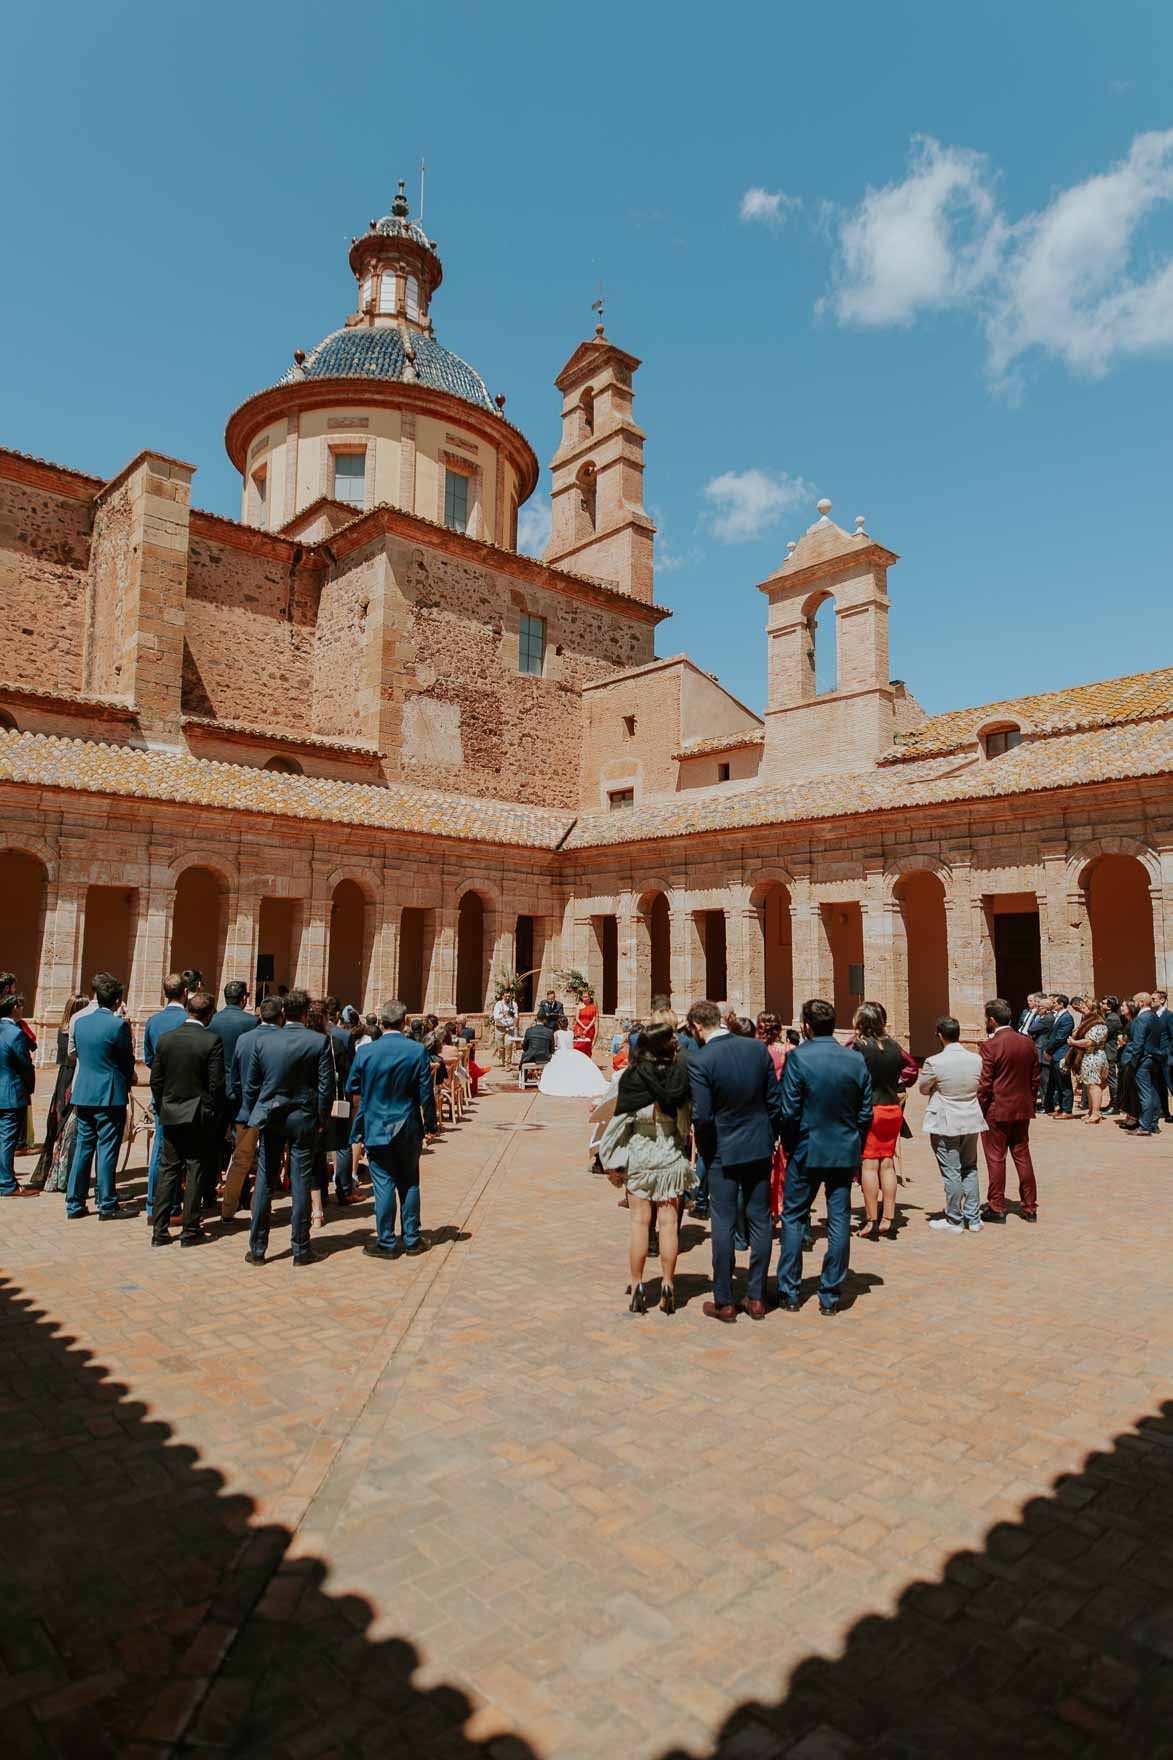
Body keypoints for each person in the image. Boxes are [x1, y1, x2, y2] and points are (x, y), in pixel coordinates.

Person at [689, 998, 784, 1322]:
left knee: (723, 1222)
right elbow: (774, 1100)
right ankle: (756, 1296)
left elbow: (701, 1116)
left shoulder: (702, 1060)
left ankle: (725, 1301)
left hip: (722, 1151)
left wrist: (705, 1149)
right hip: (758, 1146)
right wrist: (769, 1137)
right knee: (760, 1221)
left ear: (697, 1027)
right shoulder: (757, 1049)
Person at [776, 999, 871, 1315]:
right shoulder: (855, 1060)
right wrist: (854, 1143)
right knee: (839, 1217)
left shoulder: (798, 1058)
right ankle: (830, 1293)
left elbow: (788, 1110)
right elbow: (865, 1112)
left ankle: (790, 1291)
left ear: (805, 1025)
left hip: (806, 1147)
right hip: (843, 1149)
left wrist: (790, 1145)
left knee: (793, 1216)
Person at [598, 1021, 695, 1314]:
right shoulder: (678, 1075)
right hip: (669, 1156)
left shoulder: (633, 1076)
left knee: (640, 1223)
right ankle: (668, 1284)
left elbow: (619, 1122)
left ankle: (638, 1285)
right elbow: (684, 1119)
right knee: (668, 1224)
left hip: (640, 1153)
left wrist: (610, 1159)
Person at [241, 986, 334, 1266]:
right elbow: (326, 1087)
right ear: (306, 1014)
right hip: (303, 1117)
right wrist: (321, 1119)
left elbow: (251, 1085)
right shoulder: (318, 1042)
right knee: (301, 1181)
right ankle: (300, 1248)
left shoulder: (263, 1042)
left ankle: (257, 1249)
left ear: (283, 1013)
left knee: (266, 1181)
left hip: (271, 1115)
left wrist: (255, 1111)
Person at [348, 999, 436, 1259]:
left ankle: (386, 1242)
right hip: (407, 1124)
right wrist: (430, 1125)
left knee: (383, 1183)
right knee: (409, 1181)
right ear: (405, 1020)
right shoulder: (416, 1050)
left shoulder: (365, 1053)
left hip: (376, 1124)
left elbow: (353, 1087)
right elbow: (426, 1093)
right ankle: (412, 1238)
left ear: (381, 1020)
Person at [149, 989, 226, 1248]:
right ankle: (189, 1229)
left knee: (168, 1169)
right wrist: (211, 1112)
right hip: (198, 1114)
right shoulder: (211, 1040)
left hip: (171, 1111)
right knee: (195, 1169)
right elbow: (216, 1085)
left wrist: (162, 1107)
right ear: (208, 1015)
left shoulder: (167, 1039)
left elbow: (156, 1081)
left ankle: (159, 1230)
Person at [66, 973, 138, 1222]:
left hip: (84, 1091)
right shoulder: (118, 1026)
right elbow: (126, 1061)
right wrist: (129, 1077)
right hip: (109, 1094)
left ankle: (74, 1203)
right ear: (117, 1001)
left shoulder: (81, 1022)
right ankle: (107, 1203)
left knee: (84, 1147)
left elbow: (74, 1053)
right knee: (107, 1149)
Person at [848, 1002, 916, 1241]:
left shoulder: (857, 1046)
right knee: (887, 1163)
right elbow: (912, 1068)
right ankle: (888, 1217)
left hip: (869, 1110)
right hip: (892, 1109)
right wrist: (900, 1084)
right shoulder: (894, 1046)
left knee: (869, 1165)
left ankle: (871, 1219)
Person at [919, 1016, 985, 1234]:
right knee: (970, 1167)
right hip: (971, 1117)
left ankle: (955, 1219)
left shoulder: (934, 1061)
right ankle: (973, 1218)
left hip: (946, 1120)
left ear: (939, 1035)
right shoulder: (976, 1059)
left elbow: (923, 1088)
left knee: (951, 1171)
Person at [978, 998, 1040, 1224]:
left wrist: (980, 1107)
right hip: (1022, 1107)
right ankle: (1030, 1206)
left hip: (998, 1108)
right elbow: (1035, 1079)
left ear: (992, 1020)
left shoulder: (990, 1046)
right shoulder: (1027, 1043)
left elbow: (985, 1083)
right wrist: (1030, 1101)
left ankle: (996, 1206)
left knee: (996, 1157)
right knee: (1022, 1155)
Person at [221, 996, 283, 1218]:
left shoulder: (244, 1039)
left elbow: (235, 1078)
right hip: (275, 1111)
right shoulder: (284, 1039)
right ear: (281, 1014)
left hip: (246, 1110)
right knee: (269, 1162)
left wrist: (241, 1102)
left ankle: (227, 1210)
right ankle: (259, 1208)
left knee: (240, 1161)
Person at [143, 973, 190, 1222]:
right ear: (185, 993)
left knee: (160, 1149)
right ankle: (175, 1206)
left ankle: (153, 1204)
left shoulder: (152, 1022)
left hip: (162, 1093)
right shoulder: (189, 1020)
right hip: (188, 1094)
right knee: (184, 1154)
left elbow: (149, 1059)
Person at [30, 992, 87, 1191]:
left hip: (63, 1079)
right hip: (71, 1079)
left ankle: (59, 1175)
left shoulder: (63, 1030)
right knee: (68, 1129)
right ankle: (62, 1176)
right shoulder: (74, 1031)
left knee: (61, 1128)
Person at [0, 990, 36, 1198]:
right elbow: (25, 1066)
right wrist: (29, 1088)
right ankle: (6, 1183)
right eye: (20, 1006)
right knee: (7, 1140)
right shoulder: (16, 1034)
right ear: (14, 1008)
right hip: (10, 1093)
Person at [324, 995, 357, 1204]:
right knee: (343, 1142)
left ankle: (320, 1193)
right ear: (337, 1014)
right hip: (340, 1097)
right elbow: (352, 1070)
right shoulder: (344, 1036)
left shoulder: (310, 1034)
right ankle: (344, 1189)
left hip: (317, 1097)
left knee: (318, 1145)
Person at [1120, 992, 1162, 1137]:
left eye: (1135, 1001)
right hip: (1153, 1058)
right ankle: (1153, 1124)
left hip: (1142, 1060)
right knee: (1153, 1091)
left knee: (1145, 1093)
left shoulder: (1141, 1019)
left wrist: (1133, 1062)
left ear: (1141, 1003)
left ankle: (1145, 1126)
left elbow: (1138, 1043)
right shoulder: (1155, 1016)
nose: (1134, 1003)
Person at [540, 1015, 609, 1098]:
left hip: (561, 1052)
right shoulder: (571, 1032)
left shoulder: (556, 1033)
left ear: (558, 1025)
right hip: (571, 1052)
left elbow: (554, 1045)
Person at [1068, 1001, 1109, 1125]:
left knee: (1094, 1085)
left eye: (1085, 1007)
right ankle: (1091, 1111)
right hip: (1087, 1056)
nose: (1082, 1009)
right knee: (1089, 1085)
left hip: (1094, 1056)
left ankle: (1096, 1113)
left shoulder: (1099, 1024)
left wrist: (1074, 1043)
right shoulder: (1087, 1023)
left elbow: (1090, 1042)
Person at [1042, 993, 1075, 1116]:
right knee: (1057, 1082)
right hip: (1056, 1053)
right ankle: (1061, 1108)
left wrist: (1048, 1050)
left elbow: (1060, 1038)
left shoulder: (1066, 1018)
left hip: (1061, 1053)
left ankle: (1067, 1109)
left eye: (1055, 1003)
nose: (1053, 1005)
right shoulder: (1059, 1016)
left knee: (1064, 1083)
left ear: (1061, 1004)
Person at [1025, 996, 1055, 1110]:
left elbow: (1031, 1029)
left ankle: (1045, 1104)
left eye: (1040, 1007)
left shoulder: (1046, 1019)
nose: (1038, 1009)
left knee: (1044, 1080)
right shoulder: (1048, 1017)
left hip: (1042, 1050)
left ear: (1046, 1009)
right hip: (1042, 1049)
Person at [492, 993, 519, 1067]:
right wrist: (503, 1014)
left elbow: (516, 1016)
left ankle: (508, 1063)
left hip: (509, 1028)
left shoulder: (514, 1004)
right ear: (503, 996)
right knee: (500, 1047)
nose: (507, 997)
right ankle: (504, 1061)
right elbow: (496, 1017)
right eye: (506, 996)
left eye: (509, 996)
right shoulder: (498, 1004)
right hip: (499, 1028)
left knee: (508, 1044)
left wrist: (515, 1027)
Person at [573, 991, 598, 1057]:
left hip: (590, 1028)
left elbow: (594, 1018)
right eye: (583, 997)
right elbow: (577, 1018)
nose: (584, 998)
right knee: (578, 1044)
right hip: (580, 1027)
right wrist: (584, 1027)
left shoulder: (593, 1007)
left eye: (586, 997)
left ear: (589, 997)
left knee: (587, 1045)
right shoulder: (579, 1006)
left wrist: (588, 1028)